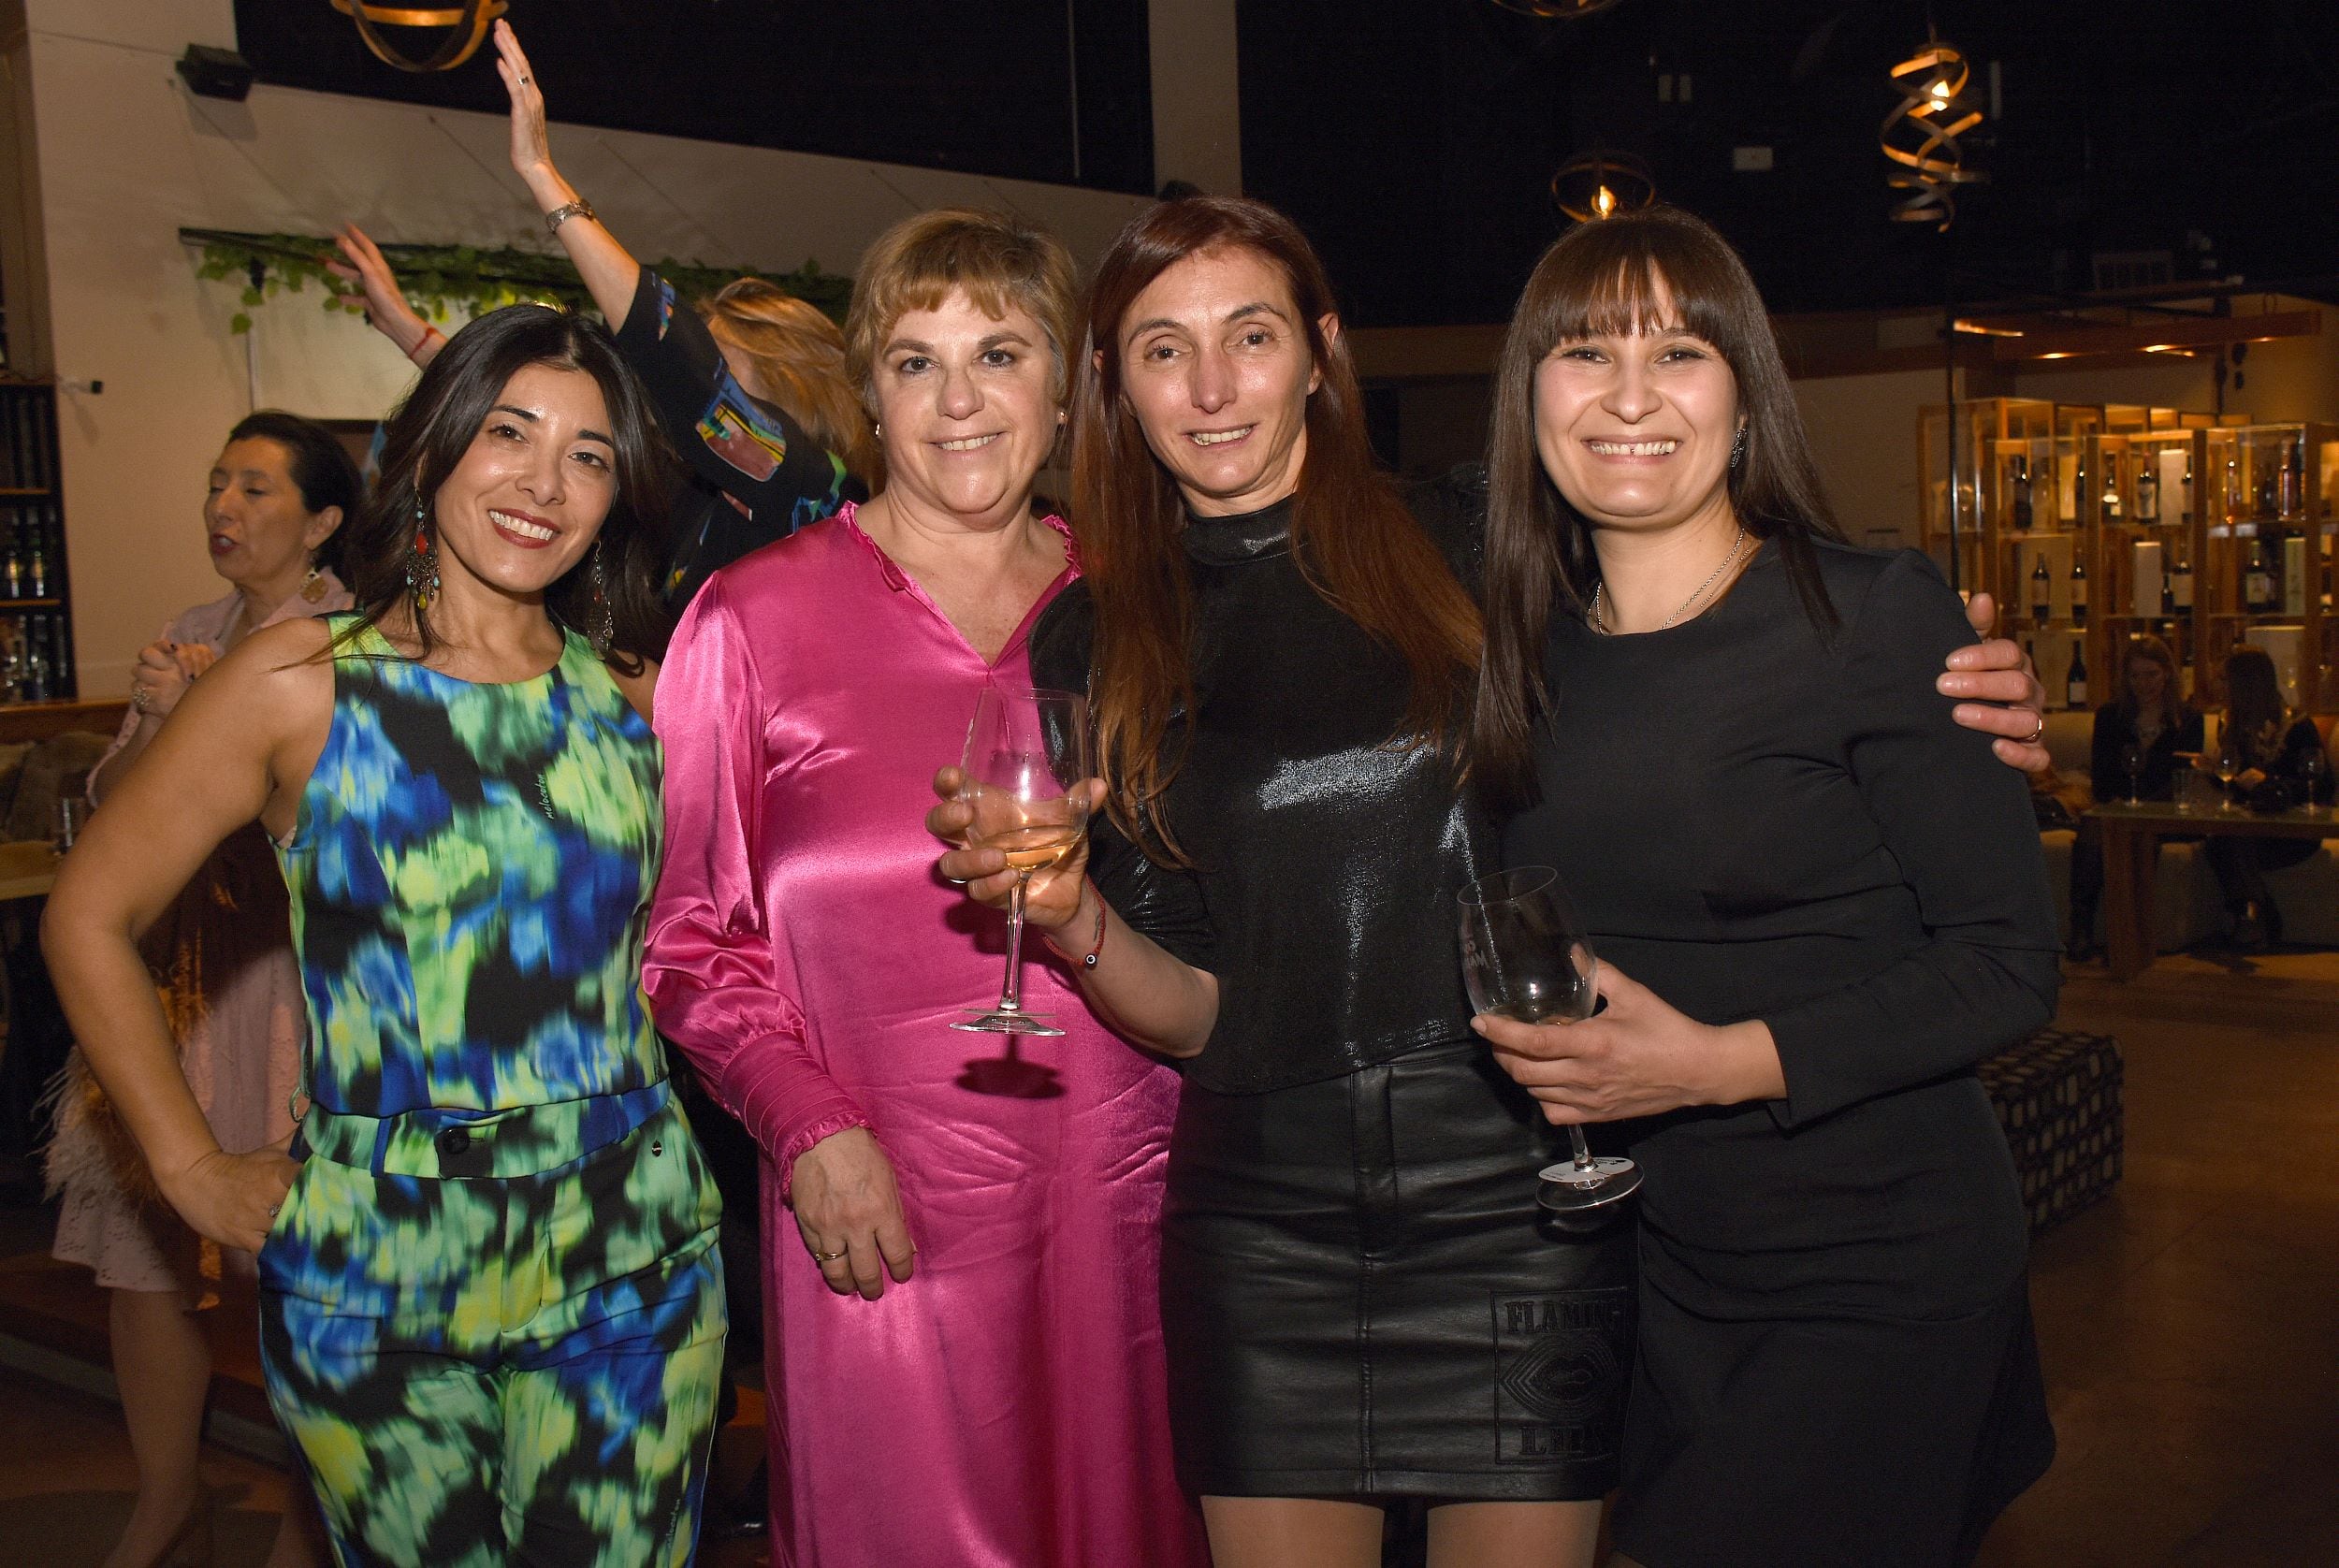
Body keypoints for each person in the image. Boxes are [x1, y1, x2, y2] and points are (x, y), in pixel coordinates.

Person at [932, 195, 2048, 1568]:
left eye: (1252, 335)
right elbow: (1200, 1011)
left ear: (1323, 351)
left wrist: (1967, 673)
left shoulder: (1475, 542)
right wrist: (1073, 922)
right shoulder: (1098, 638)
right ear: (1115, 382)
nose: (1212, 385)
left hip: (1525, 1195)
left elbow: (1722, 601)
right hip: (1266, 1223)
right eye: (1164, 349)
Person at [42, 305, 727, 1565]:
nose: (544, 482)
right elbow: (89, 914)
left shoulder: (635, 695)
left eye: (587, 455)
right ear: (436, 448)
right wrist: (192, 1171)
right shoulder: (302, 682)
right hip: (380, 1261)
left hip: (630, 1245)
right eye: (510, 433)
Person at [1472, 205, 2058, 1568]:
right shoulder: (1513, 646)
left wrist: (1717, 1065)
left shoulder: (1871, 615)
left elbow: (2008, 962)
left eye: (1677, 352)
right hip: (1662, 1272)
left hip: (1878, 1264)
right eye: (1582, 355)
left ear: (1744, 397)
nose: (1628, 397)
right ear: (1530, 400)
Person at [642, 207, 1208, 1568]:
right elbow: (686, 938)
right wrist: (811, 1128)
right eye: (914, 360)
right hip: (871, 1201)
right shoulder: (751, 620)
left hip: (1127, 1197)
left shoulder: (1142, 609)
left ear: (1066, 391)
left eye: (999, 354)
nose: (959, 401)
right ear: (871, 401)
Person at [44, 411, 355, 1568]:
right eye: (218, 483)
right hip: (183, 975)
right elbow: (119, 812)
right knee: (146, 1255)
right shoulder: (191, 630)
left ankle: (302, 1520)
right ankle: (164, 1493)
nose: (225, 506)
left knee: (291, 1258)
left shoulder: (339, 641)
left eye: (257, 489)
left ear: (323, 520)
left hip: (284, 985)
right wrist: (160, 726)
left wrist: (215, 716)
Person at [330, 19, 872, 612]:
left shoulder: (821, 499)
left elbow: (690, 385)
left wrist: (547, 181)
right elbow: (557, 413)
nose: (671, 400)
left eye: (717, 376)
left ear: (796, 388)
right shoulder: (692, 498)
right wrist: (414, 336)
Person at [2067, 634, 2203, 957]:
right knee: (2093, 830)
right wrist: (2119, 804)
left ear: (2167, 674)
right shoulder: (2110, 717)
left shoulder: (2188, 720)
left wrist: (2145, 807)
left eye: (2151, 675)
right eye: (2135, 676)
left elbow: (2183, 778)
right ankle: (2082, 926)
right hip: (2117, 807)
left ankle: (2131, 937)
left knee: (2139, 837)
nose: (2144, 684)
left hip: (2164, 811)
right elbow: (2101, 776)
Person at [2199, 645, 2335, 949]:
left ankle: (2252, 915)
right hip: (2251, 822)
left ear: (2245, 684)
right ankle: (2257, 912)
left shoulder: (2296, 725)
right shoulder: (2230, 722)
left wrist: (2272, 783)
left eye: (2224, 680)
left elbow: (2321, 786)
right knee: (2221, 840)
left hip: (2292, 827)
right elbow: (2235, 784)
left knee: (2229, 842)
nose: (2218, 687)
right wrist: (2218, 773)